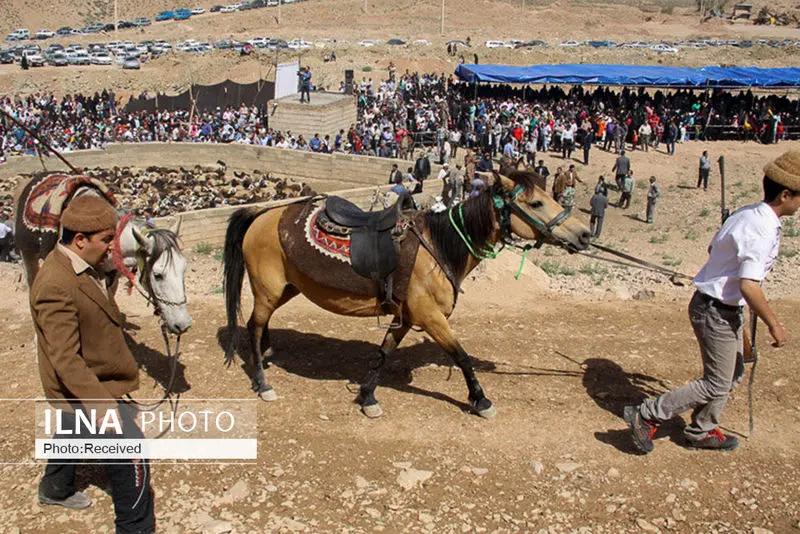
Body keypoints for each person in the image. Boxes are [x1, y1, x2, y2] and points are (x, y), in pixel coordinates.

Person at [624, 150, 800, 454]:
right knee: (716, 383)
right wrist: (774, 324)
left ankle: (701, 429)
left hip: (721, 307)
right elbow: (749, 285)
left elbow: (713, 246)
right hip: (715, 311)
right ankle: (647, 413)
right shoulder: (761, 228)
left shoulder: (747, 214)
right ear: (786, 194)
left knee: (733, 373)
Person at [32, 196, 155, 532]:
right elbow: (65, 357)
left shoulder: (81, 264)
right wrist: (102, 405)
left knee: (75, 426)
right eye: (105, 240)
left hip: (87, 382)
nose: (111, 247)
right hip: (89, 383)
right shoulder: (55, 284)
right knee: (131, 453)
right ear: (80, 240)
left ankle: (54, 489)